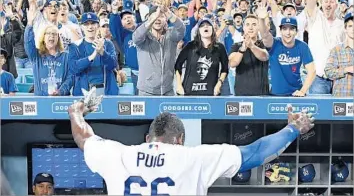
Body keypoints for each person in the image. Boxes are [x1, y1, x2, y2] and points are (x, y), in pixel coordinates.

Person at [68, 96, 314, 196]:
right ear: (180, 140)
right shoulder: (193, 157)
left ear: (148, 138)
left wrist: (76, 112)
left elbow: (83, 138)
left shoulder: (118, 155)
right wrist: (292, 129)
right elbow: (257, 152)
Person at [303, 0, 345, 95]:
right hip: (317, 79)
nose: (328, 4)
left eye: (331, 1)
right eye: (325, 1)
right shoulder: (315, 17)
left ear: (337, 4)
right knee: (317, 116)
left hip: (339, 79)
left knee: (341, 116)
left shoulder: (343, 25)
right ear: (320, 3)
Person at [257, 3, 316, 97]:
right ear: (280, 31)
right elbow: (264, 34)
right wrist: (261, 19)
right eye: (284, 29)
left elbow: (312, 71)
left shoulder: (302, 46)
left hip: (296, 95)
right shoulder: (274, 43)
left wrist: (303, 91)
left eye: (291, 29)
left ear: (296, 31)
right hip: (276, 95)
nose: (288, 33)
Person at [133, 5, 185, 96]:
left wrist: (169, 13)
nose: (158, 19)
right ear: (149, 19)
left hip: (167, 91)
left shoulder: (171, 35)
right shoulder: (143, 37)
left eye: (161, 16)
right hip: (146, 92)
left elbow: (181, 29)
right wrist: (153, 17)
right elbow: (136, 37)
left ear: (166, 20)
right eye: (155, 16)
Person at [24, 6, 72, 96]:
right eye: (48, 33)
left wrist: (60, 92)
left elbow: (70, 78)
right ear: (43, 38)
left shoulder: (66, 56)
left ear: (58, 38)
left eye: (54, 34)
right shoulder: (36, 56)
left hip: (60, 100)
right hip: (41, 100)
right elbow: (28, 43)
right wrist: (30, 24)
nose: (51, 36)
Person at [68, 12, 118, 96]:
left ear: (98, 26)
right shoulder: (75, 46)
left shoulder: (107, 44)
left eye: (93, 23)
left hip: (106, 91)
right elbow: (74, 68)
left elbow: (113, 65)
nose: (90, 27)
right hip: (83, 93)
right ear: (81, 27)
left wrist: (103, 52)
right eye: (86, 24)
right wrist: (92, 56)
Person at [175, 18, 228, 96]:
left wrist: (219, 84)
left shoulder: (219, 47)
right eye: (202, 25)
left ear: (213, 29)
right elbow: (178, 65)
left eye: (208, 25)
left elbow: (225, 69)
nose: (206, 27)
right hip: (188, 92)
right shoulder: (190, 46)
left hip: (211, 93)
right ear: (198, 31)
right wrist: (179, 85)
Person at [229, 15, 269, 96]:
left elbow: (264, 56)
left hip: (262, 94)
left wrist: (251, 46)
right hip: (241, 93)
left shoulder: (264, 44)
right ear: (243, 28)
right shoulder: (236, 46)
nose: (250, 28)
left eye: (254, 24)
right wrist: (243, 48)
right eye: (247, 25)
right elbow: (232, 63)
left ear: (258, 28)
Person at [324, 12, 354, 97]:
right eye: (350, 26)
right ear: (345, 29)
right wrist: (346, 69)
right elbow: (328, 72)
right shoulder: (337, 50)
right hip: (342, 98)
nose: (353, 29)